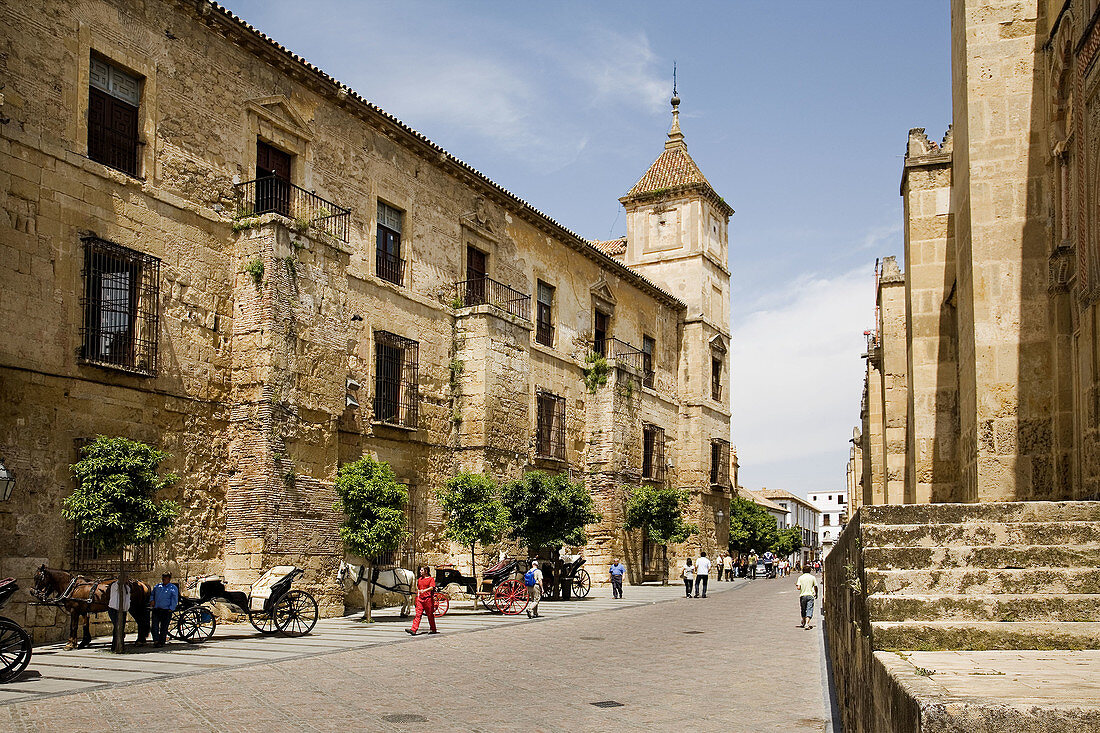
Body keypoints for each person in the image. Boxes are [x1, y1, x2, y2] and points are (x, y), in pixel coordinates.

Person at [405, 565, 438, 635]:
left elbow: (432, 587)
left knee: (430, 615)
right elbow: (418, 588)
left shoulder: (431, 579)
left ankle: (433, 629)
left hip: (428, 599)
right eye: (420, 570)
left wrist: (425, 590)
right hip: (420, 599)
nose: (420, 571)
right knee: (418, 615)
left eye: (422, 570)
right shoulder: (420, 579)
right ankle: (413, 629)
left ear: (426, 571)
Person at [149, 572, 179, 647]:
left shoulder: (172, 588)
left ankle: (161, 641)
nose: (164, 579)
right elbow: (152, 594)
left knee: (164, 627)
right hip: (157, 609)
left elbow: (174, 599)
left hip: (166, 610)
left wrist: (171, 608)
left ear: (169, 579)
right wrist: (152, 600)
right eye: (163, 577)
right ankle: (156, 640)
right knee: (154, 626)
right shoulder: (157, 586)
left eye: (165, 578)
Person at [797, 564, 819, 629]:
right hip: (810, 595)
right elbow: (815, 586)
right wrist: (816, 593)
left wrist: (799, 586)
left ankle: (804, 622)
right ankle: (807, 623)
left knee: (803, 609)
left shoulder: (800, 578)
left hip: (803, 595)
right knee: (809, 609)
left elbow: (798, 587)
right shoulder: (812, 577)